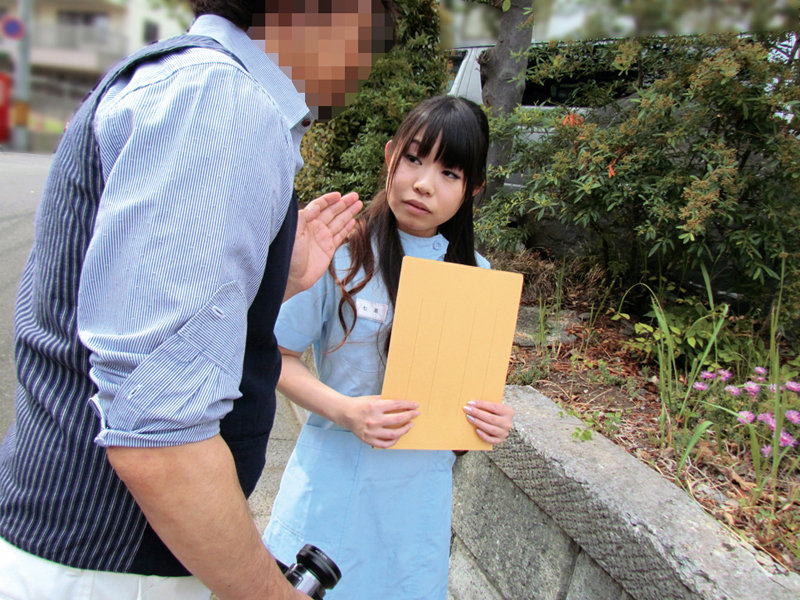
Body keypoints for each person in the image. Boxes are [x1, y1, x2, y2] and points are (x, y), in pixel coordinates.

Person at [0, 2, 365, 599]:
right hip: (111, 569)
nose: (367, 58)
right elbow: (159, 434)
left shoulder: (188, 79)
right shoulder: (219, 99)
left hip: (92, 553)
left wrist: (279, 280)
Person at [262, 95, 516, 599]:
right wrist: (346, 411)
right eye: (414, 159)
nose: (424, 183)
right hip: (330, 497)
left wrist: (490, 420)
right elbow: (277, 356)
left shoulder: (478, 279)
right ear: (390, 155)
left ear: (472, 189)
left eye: (449, 173)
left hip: (414, 517)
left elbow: (459, 406)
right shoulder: (340, 251)